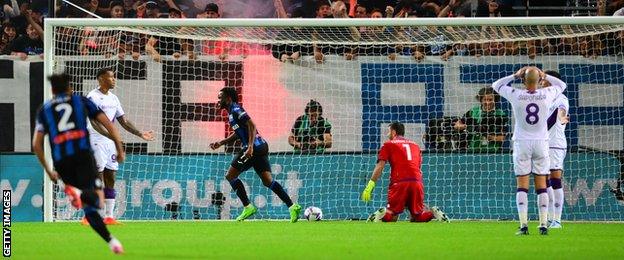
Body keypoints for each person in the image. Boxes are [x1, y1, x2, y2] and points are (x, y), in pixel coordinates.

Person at [32, 73, 125, 254]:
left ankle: (111, 241)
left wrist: (49, 170)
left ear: (52, 90)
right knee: (96, 200)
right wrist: (119, 149)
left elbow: (36, 144)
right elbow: (109, 125)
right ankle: (80, 193)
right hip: (83, 156)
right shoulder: (81, 101)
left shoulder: (44, 109)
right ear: (69, 88)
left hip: (61, 161)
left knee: (88, 208)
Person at [491, 66, 567, 235]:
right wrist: (544, 74)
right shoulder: (547, 94)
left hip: (522, 143)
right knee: (542, 185)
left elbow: (496, 85)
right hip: (541, 143)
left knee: (522, 186)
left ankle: (524, 225)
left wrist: (514, 74)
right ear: (540, 81)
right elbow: (562, 86)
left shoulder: (516, 94)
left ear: (523, 81)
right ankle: (543, 225)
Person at [209, 87, 302, 222]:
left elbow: (252, 125)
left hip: (253, 148)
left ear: (228, 98)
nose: (218, 101)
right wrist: (222, 142)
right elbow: (240, 132)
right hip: (261, 146)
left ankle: (247, 207)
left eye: (220, 98)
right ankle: (292, 206)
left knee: (230, 175)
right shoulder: (231, 113)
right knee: (267, 181)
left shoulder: (236, 110)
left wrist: (250, 147)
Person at [87, 68, 155, 225]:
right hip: (96, 140)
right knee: (98, 177)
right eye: (110, 77)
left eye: (113, 77)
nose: (114, 79)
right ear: (101, 79)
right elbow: (94, 123)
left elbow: (123, 121)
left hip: (110, 142)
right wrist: (113, 137)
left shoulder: (113, 98)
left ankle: (109, 216)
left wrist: (140, 133)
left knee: (111, 176)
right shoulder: (93, 97)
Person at [361, 122, 449, 223]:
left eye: (388, 131)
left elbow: (380, 166)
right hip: (417, 182)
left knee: (392, 215)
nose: (387, 134)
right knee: (417, 217)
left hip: (399, 183)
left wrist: (370, 186)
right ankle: (433, 212)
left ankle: (384, 213)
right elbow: (417, 167)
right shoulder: (416, 146)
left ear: (393, 132)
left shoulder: (388, 145)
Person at [542, 70, 569, 229]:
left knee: (555, 180)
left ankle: (557, 220)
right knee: (544, 182)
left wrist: (562, 118)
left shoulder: (561, 98)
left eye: (544, 80)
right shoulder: (542, 98)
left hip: (555, 144)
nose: (541, 82)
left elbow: (561, 111)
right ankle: (550, 218)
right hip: (542, 143)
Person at [453, 87, 509, 152]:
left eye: (490, 100)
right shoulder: (473, 111)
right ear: (480, 100)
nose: (487, 102)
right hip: (473, 150)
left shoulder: (501, 115)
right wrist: (465, 127)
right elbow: (457, 125)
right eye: (485, 99)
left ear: (495, 100)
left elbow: (502, 138)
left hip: (493, 151)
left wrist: (486, 135)